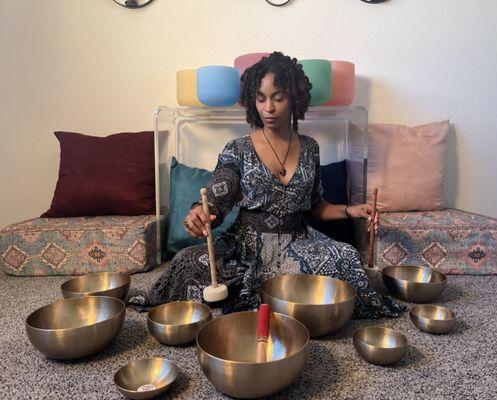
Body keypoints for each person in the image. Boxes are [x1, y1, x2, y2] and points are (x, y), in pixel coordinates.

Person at [131, 52, 404, 318]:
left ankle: (278, 297)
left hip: (298, 242)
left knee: (346, 256)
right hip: (246, 246)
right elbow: (216, 196)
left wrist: (350, 211)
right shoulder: (237, 150)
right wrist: (199, 214)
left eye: (278, 98)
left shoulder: (310, 148)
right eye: (261, 99)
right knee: (188, 261)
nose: (269, 108)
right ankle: (285, 297)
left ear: (294, 99)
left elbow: (316, 207)